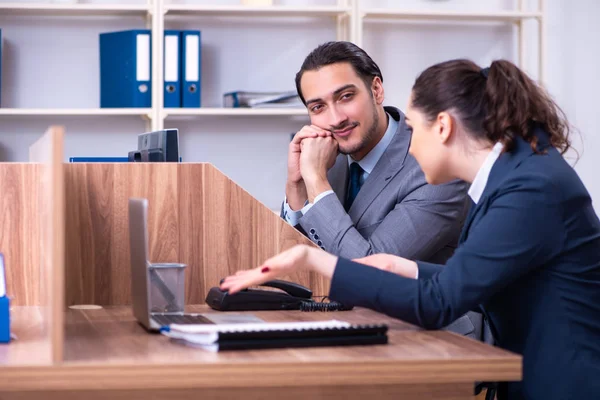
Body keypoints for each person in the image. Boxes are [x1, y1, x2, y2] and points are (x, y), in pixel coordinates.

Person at [223, 59, 600, 399]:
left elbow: (440, 303)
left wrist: (315, 260)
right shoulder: (514, 176)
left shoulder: (527, 189)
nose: (412, 147)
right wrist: (406, 267)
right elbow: (483, 277)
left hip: (565, 381)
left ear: (443, 126)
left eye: (415, 129)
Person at [282, 41, 469, 264]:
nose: (336, 119)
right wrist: (297, 185)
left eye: (346, 96)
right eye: (318, 107)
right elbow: (295, 265)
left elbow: (370, 273)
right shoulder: (328, 159)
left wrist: (315, 180)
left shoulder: (438, 169)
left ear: (376, 90)